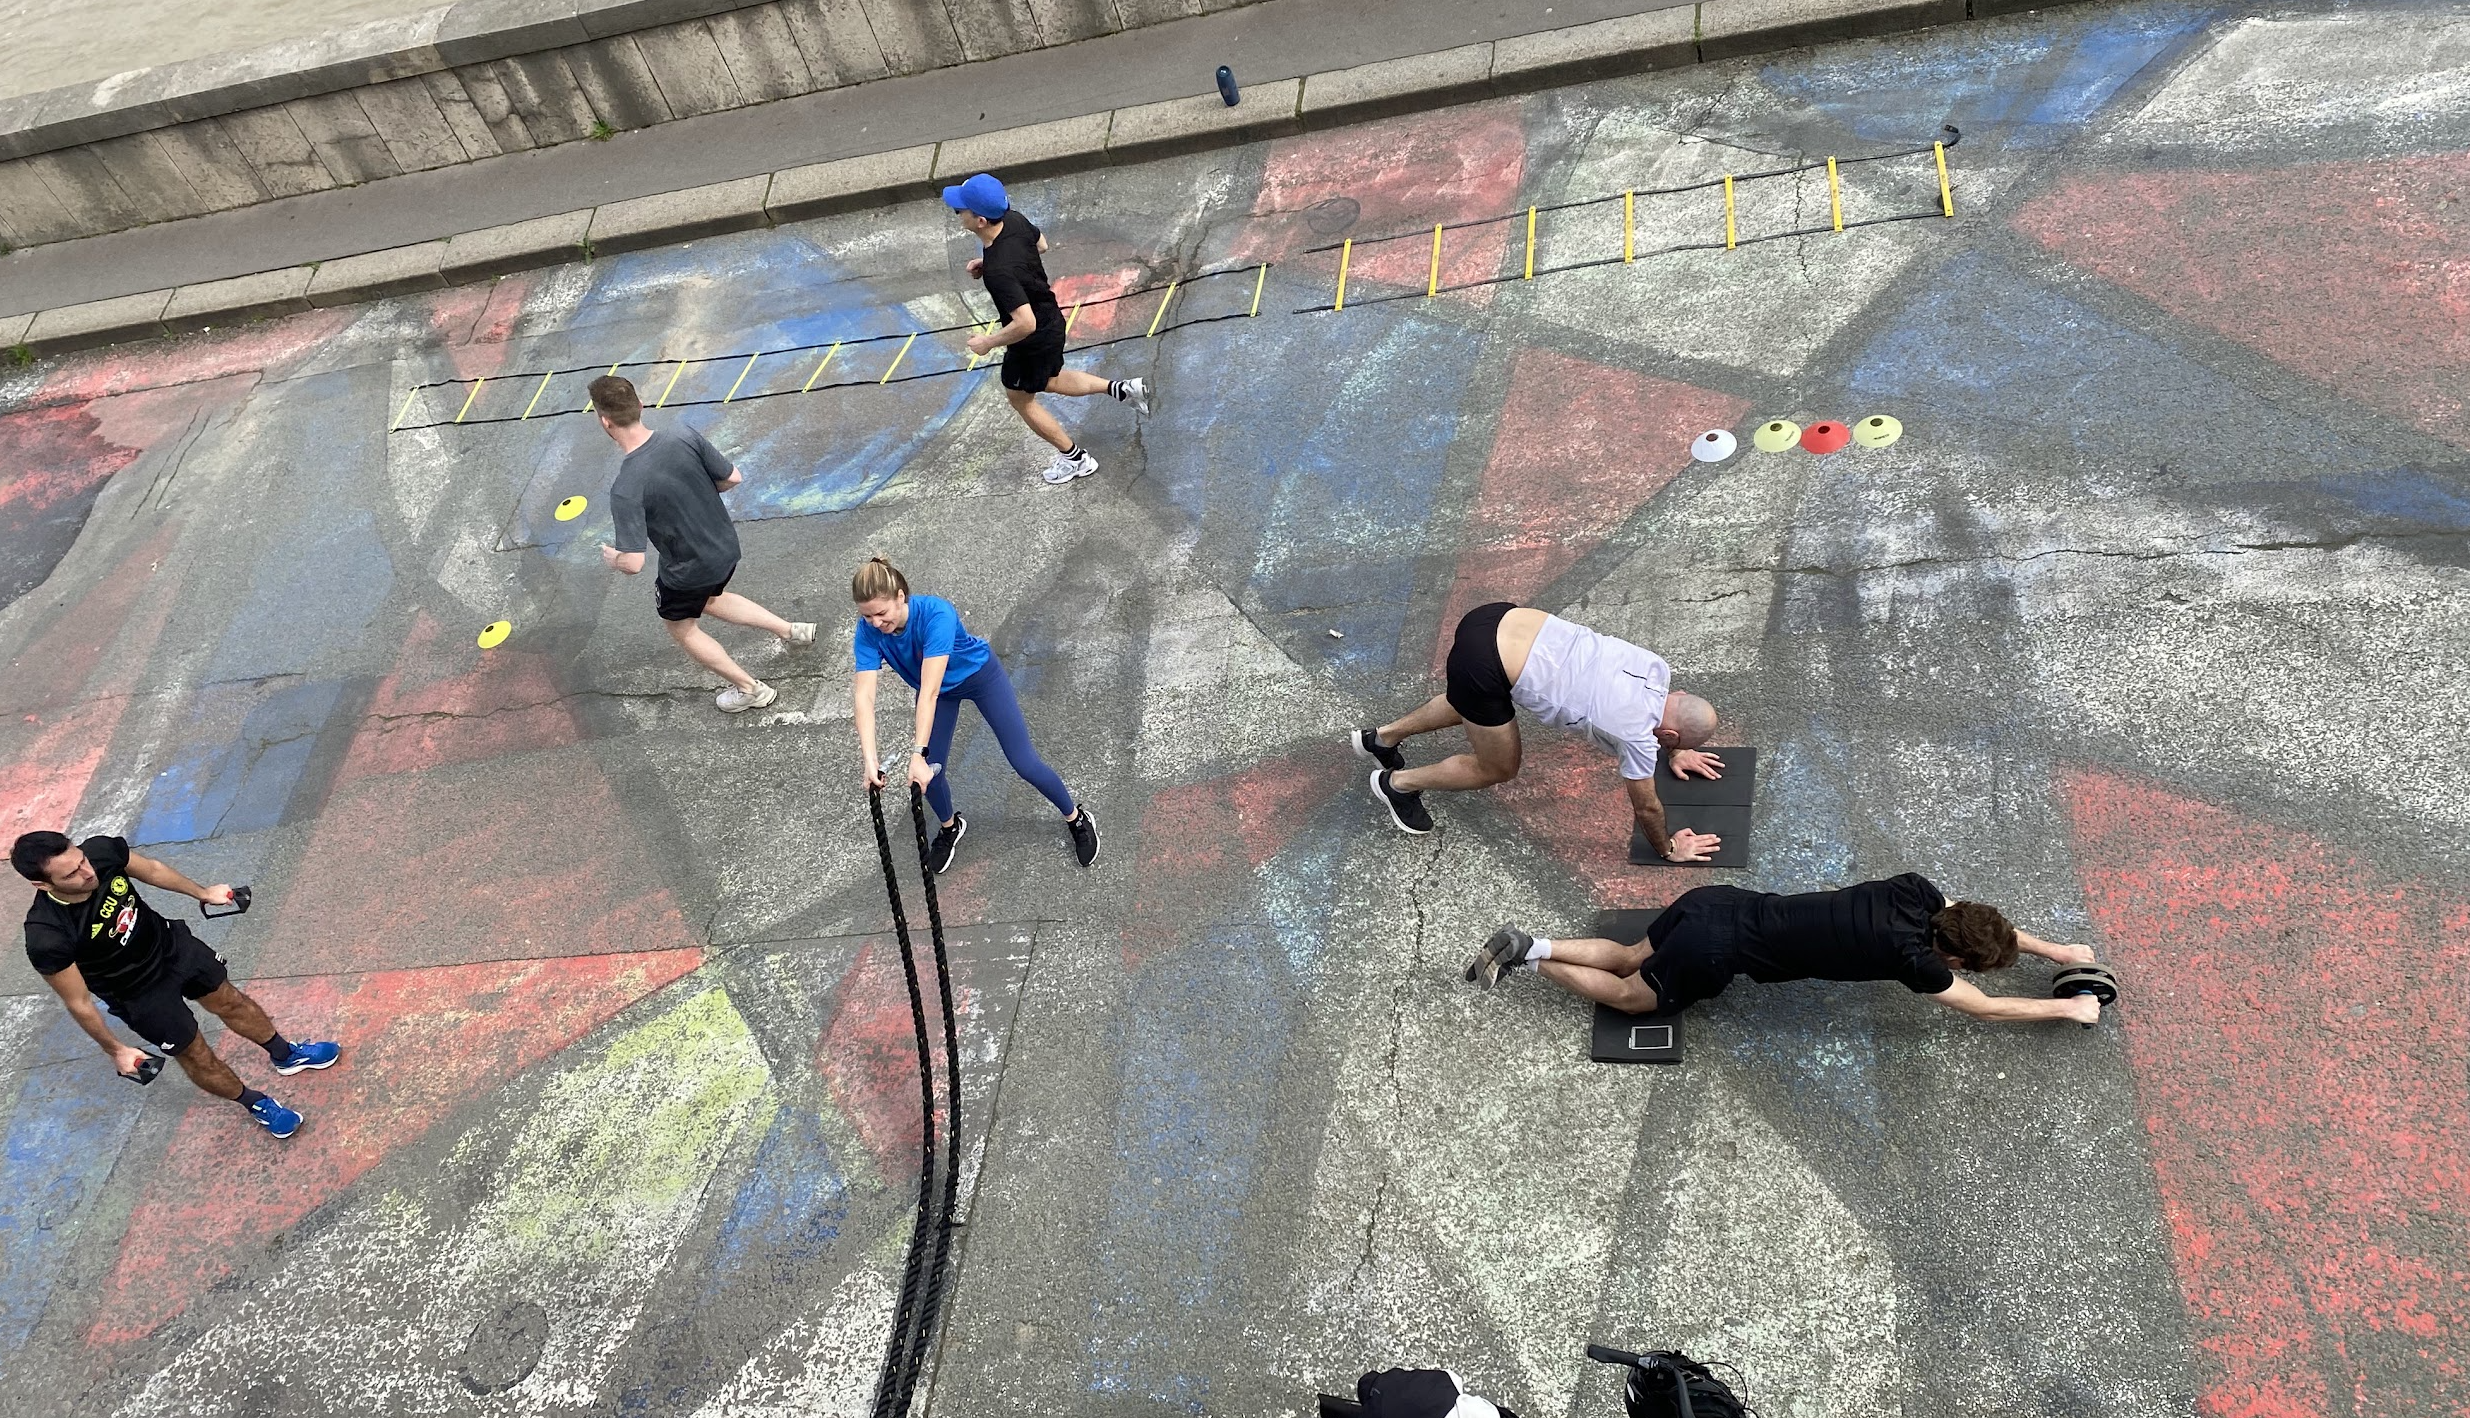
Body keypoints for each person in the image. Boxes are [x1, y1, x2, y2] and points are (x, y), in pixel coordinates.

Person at [15, 831, 340, 1138]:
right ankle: (254, 1102)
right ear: (42, 884)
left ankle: (285, 1054)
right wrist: (115, 1050)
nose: (87, 873)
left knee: (231, 1001)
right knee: (196, 1054)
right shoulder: (47, 936)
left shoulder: (102, 852)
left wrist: (203, 893)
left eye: (81, 860)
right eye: (71, 874)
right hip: (136, 992)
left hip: (171, 947)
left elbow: (153, 870)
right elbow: (79, 1003)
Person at [1461, 872, 2108, 1025]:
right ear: (1955, 959)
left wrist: (2058, 952)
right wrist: (2068, 1006)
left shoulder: (1918, 893)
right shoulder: (1915, 961)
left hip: (1715, 901)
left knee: (1633, 953)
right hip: (1717, 947)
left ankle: (1532, 941)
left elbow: (1973, 919)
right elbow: (1984, 1006)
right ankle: (1529, 958)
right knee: (1635, 997)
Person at [1352, 602, 1725, 861]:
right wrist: (1669, 848)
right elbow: (1646, 806)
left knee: (1470, 701)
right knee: (1498, 766)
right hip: (1485, 665)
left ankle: (1381, 739)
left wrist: (1677, 749)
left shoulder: (1656, 668)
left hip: (1498, 619)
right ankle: (1396, 785)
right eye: (1669, 742)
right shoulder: (1638, 737)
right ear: (1668, 736)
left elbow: (1665, 716)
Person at [850, 557, 1100, 871]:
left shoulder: (936, 615)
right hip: (940, 692)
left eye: (881, 613)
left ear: (900, 597)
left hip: (979, 678)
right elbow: (864, 696)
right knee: (930, 775)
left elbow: (929, 691)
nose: (875, 623)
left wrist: (916, 752)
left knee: (1024, 762)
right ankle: (950, 826)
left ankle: (1076, 818)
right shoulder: (868, 630)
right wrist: (870, 760)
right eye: (867, 615)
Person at [593, 374, 815, 713]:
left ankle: (750, 690)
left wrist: (614, 559)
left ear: (605, 421)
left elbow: (634, 562)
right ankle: (791, 631)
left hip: (688, 570)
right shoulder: (683, 435)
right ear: (639, 405)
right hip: (724, 549)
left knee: (682, 627)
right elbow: (732, 477)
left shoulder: (626, 487)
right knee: (710, 598)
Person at [945, 172, 1151, 486]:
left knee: (1020, 397)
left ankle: (1076, 459)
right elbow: (1040, 245)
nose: (957, 214)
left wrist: (988, 342)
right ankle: (1123, 389)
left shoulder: (1001, 271)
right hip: (1052, 321)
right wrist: (990, 262)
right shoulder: (1013, 220)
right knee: (1049, 380)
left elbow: (1024, 322)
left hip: (1032, 338)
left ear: (981, 221)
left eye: (960, 210)